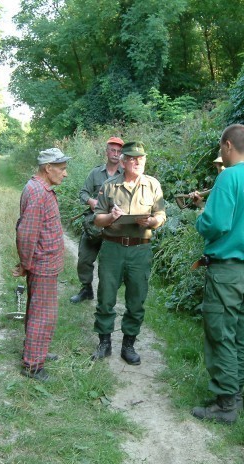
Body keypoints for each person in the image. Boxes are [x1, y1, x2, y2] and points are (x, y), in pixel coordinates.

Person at [190, 124, 244, 423]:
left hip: (226, 271)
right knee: (241, 335)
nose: (221, 154)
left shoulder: (228, 177)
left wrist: (200, 218)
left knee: (221, 334)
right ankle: (235, 395)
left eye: (220, 148)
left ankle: (226, 405)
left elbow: (215, 225)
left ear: (227, 145)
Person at [92, 141, 166, 364]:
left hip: (139, 250)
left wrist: (152, 221)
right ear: (123, 162)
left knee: (136, 299)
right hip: (112, 248)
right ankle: (104, 342)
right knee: (106, 297)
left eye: (140, 159)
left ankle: (129, 345)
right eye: (132, 159)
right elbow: (97, 219)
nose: (137, 162)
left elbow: (161, 216)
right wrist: (111, 217)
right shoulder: (109, 186)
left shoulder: (152, 185)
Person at [13, 147, 71, 381]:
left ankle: (37, 351)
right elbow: (26, 234)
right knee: (42, 314)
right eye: (62, 169)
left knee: (39, 310)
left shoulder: (41, 189)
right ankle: (33, 365)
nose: (65, 174)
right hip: (42, 265)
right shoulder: (38, 193)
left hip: (45, 264)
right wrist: (25, 264)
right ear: (48, 168)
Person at [70, 137, 125, 303]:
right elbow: (83, 193)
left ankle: (107, 295)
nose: (115, 154)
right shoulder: (95, 173)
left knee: (110, 264)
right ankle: (86, 289)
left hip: (115, 225)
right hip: (94, 224)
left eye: (119, 151)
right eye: (112, 150)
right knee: (84, 259)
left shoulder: (125, 175)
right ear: (106, 152)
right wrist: (91, 201)